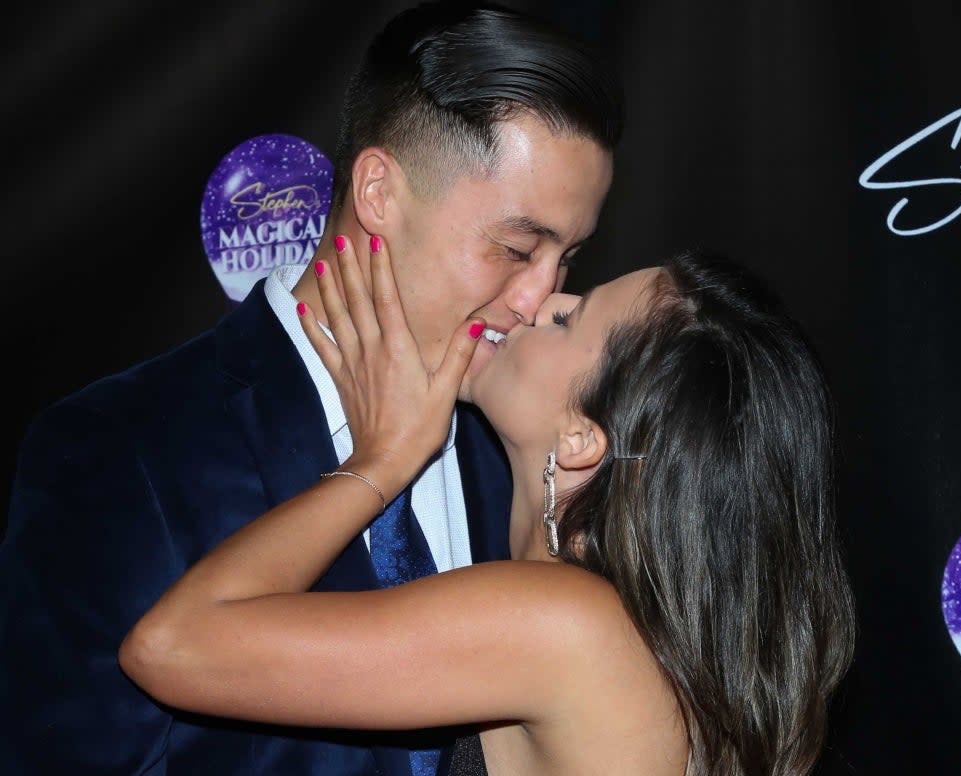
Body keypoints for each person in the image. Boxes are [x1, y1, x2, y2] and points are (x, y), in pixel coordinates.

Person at [0, 3, 621, 774]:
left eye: (567, 257)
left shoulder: (524, 448)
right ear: (378, 192)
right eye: (516, 247)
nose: (537, 297)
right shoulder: (120, 450)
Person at [119, 238, 856, 776]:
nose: (537, 302)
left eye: (570, 321)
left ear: (580, 437)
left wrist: (383, 460)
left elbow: (173, 646)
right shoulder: (641, 636)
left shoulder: (568, 623)